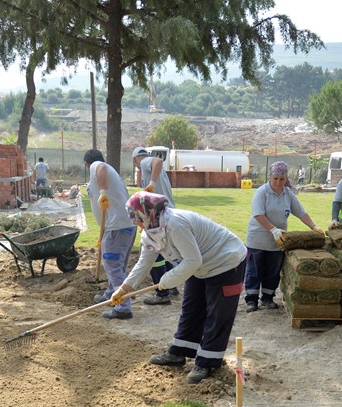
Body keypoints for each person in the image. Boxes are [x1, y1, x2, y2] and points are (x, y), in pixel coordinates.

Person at [109, 191, 247, 384]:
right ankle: (179, 352)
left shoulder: (175, 224)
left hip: (225, 261)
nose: (136, 224)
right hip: (198, 265)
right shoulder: (150, 230)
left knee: (217, 314)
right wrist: (124, 289)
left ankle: (208, 362)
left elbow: (193, 260)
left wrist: (166, 280)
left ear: (146, 214)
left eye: (137, 219)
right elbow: (144, 262)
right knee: (191, 308)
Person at [244, 161, 325, 312]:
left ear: (286, 179)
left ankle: (267, 299)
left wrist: (313, 226)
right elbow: (258, 214)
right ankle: (251, 301)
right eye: (275, 178)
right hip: (258, 240)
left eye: (281, 179)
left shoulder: (288, 194)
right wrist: (273, 229)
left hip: (277, 241)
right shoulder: (262, 192)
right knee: (254, 271)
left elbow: (301, 212)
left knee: (273, 271)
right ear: (270, 177)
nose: (278, 182)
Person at [84, 149, 136, 320]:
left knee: (113, 266)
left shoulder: (97, 166)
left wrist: (103, 193)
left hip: (117, 226)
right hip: (123, 225)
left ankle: (123, 307)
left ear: (87, 164)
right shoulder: (108, 171)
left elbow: (101, 168)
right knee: (116, 266)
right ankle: (111, 294)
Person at [131, 146, 177, 306]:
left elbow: (158, 161)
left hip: (160, 216)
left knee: (154, 254)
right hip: (168, 213)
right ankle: (172, 286)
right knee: (168, 251)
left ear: (135, 160)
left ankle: (162, 294)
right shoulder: (148, 167)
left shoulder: (144, 163)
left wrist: (150, 184)